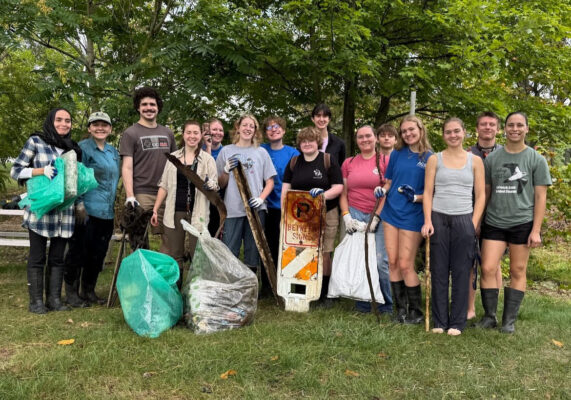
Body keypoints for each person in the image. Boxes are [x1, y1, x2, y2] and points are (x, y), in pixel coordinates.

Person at [476, 112, 551, 333]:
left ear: (527, 129)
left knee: (518, 270)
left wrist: (536, 230)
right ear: (504, 129)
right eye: (510, 125)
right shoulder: (492, 159)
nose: (515, 129)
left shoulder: (536, 159)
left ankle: (508, 321)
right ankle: (489, 317)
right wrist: (479, 221)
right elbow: (486, 193)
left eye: (520, 125)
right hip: (494, 222)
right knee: (488, 267)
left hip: (522, 222)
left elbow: (540, 197)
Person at [10, 108, 82, 313]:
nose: (64, 124)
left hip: (64, 212)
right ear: (51, 121)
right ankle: (36, 302)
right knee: (37, 257)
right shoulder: (36, 142)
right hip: (40, 211)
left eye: (68, 121)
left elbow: (75, 180)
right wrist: (41, 171)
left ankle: (54, 300)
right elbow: (16, 171)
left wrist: (79, 203)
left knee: (58, 257)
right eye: (59, 120)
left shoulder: (72, 149)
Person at [421, 118, 485, 335]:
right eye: (448, 132)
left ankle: (457, 322)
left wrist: (473, 223)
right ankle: (439, 321)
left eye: (457, 131)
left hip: (464, 219)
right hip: (438, 218)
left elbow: (481, 195)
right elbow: (428, 193)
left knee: (461, 271)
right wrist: (428, 220)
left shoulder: (475, 161)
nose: (453, 135)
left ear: (464, 132)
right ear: (443, 135)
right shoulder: (434, 160)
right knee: (438, 270)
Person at [375, 115, 433, 324]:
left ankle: (416, 313)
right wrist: (382, 189)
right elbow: (389, 181)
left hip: (413, 215)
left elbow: (432, 192)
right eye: (404, 131)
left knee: (406, 264)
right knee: (392, 262)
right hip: (391, 212)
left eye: (411, 129)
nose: (408, 134)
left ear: (420, 129)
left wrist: (416, 197)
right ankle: (400, 311)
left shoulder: (430, 157)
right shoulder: (397, 154)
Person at [151, 120, 218, 288]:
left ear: (200, 135)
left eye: (196, 133)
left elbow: (215, 185)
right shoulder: (173, 158)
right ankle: (176, 292)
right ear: (184, 134)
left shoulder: (208, 160)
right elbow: (164, 185)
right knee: (175, 255)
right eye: (189, 132)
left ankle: (195, 294)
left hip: (198, 213)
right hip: (175, 212)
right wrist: (155, 209)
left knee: (197, 255)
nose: (192, 136)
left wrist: (211, 185)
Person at [63, 111, 120, 307]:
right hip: (86, 211)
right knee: (78, 252)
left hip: (107, 212)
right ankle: (72, 293)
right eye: (95, 124)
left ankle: (89, 291)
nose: (100, 128)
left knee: (98, 253)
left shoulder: (113, 153)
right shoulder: (82, 149)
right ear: (89, 128)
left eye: (104, 125)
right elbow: (75, 176)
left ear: (110, 129)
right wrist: (78, 203)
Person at [282, 126, 343, 304]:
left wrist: (323, 195)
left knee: (324, 252)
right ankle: (303, 288)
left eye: (310, 140)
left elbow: (338, 187)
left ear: (318, 142)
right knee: (300, 251)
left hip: (326, 212)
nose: (307, 144)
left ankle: (325, 293)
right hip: (299, 216)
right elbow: (286, 189)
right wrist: (284, 214)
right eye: (303, 141)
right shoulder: (294, 162)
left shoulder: (327, 160)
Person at [342, 124, 396, 314]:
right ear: (357, 140)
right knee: (359, 259)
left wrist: (376, 218)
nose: (364, 140)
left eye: (368, 136)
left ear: (375, 138)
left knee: (380, 260)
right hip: (355, 214)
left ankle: (387, 304)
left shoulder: (385, 161)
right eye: (360, 137)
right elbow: (344, 193)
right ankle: (364, 301)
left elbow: (387, 192)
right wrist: (346, 216)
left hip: (380, 215)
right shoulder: (349, 163)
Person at [216, 114, 276, 283]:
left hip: (256, 209)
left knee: (253, 250)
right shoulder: (226, 151)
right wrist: (226, 170)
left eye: (252, 126)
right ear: (238, 127)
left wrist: (261, 198)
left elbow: (270, 182)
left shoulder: (261, 152)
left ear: (255, 131)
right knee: (230, 248)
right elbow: (220, 184)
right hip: (232, 208)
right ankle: (231, 285)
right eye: (245, 125)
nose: (248, 128)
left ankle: (249, 286)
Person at [119, 87, 176, 247]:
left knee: (170, 239)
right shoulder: (131, 133)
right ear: (138, 107)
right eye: (144, 104)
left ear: (158, 107)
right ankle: (142, 270)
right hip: (141, 193)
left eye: (153, 104)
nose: (149, 108)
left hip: (165, 192)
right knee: (139, 240)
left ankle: (166, 270)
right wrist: (130, 196)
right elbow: (127, 167)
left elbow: (174, 164)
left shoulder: (168, 133)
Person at [466, 111, 503, 320]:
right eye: (483, 124)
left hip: (498, 217)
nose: (487, 127)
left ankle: (492, 311)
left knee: (492, 264)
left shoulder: (505, 153)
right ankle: (469, 308)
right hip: (471, 215)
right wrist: (474, 220)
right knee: (470, 261)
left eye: (491, 124)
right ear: (477, 128)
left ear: (497, 128)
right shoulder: (468, 154)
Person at [261, 116, 300, 275]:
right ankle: (267, 282)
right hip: (265, 205)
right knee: (266, 245)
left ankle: (285, 279)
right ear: (265, 133)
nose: (273, 130)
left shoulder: (293, 153)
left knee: (285, 245)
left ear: (283, 130)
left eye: (277, 127)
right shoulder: (261, 150)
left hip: (286, 206)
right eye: (269, 128)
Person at [202, 118, 226, 237]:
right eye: (214, 129)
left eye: (220, 130)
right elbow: (206, 171)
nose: (218, 132)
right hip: (203, 198)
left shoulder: (226, 151)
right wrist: (208, 147)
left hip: (219, 198)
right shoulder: (199, 149)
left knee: (216, 233)